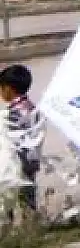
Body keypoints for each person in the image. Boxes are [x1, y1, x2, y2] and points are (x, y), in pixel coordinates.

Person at [1, 64, 40, 215]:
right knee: (28, 191)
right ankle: (30, 222)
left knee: (8, 192)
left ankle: (9, 226)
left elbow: (11, 137)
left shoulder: (12, 113)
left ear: (8, 89)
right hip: (31, 158)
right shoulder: (32, 107)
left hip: (16, 160)